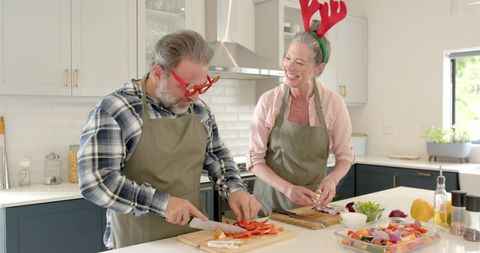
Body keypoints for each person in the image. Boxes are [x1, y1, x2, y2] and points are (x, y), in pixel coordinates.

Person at [77, 30, 261, 249]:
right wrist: (162, 204)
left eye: (201, 86)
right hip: (136, 243)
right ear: (157, 73)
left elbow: (216, 156)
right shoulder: (117, 109)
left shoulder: (200, 111)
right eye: (187, 87)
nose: (195, 96)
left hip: (191, 240)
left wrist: (235, 188)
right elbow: (96, 181)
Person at [247, 19, 355, 216]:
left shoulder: (334, 104)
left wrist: (331, 180)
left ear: (318, 69)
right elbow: (255, 161)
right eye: (287, 58)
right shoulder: (269, 101)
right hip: (269, 205)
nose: (289, 67)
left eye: (299, 62)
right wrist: (288, 189)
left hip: (312, 207)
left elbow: (345, 155)